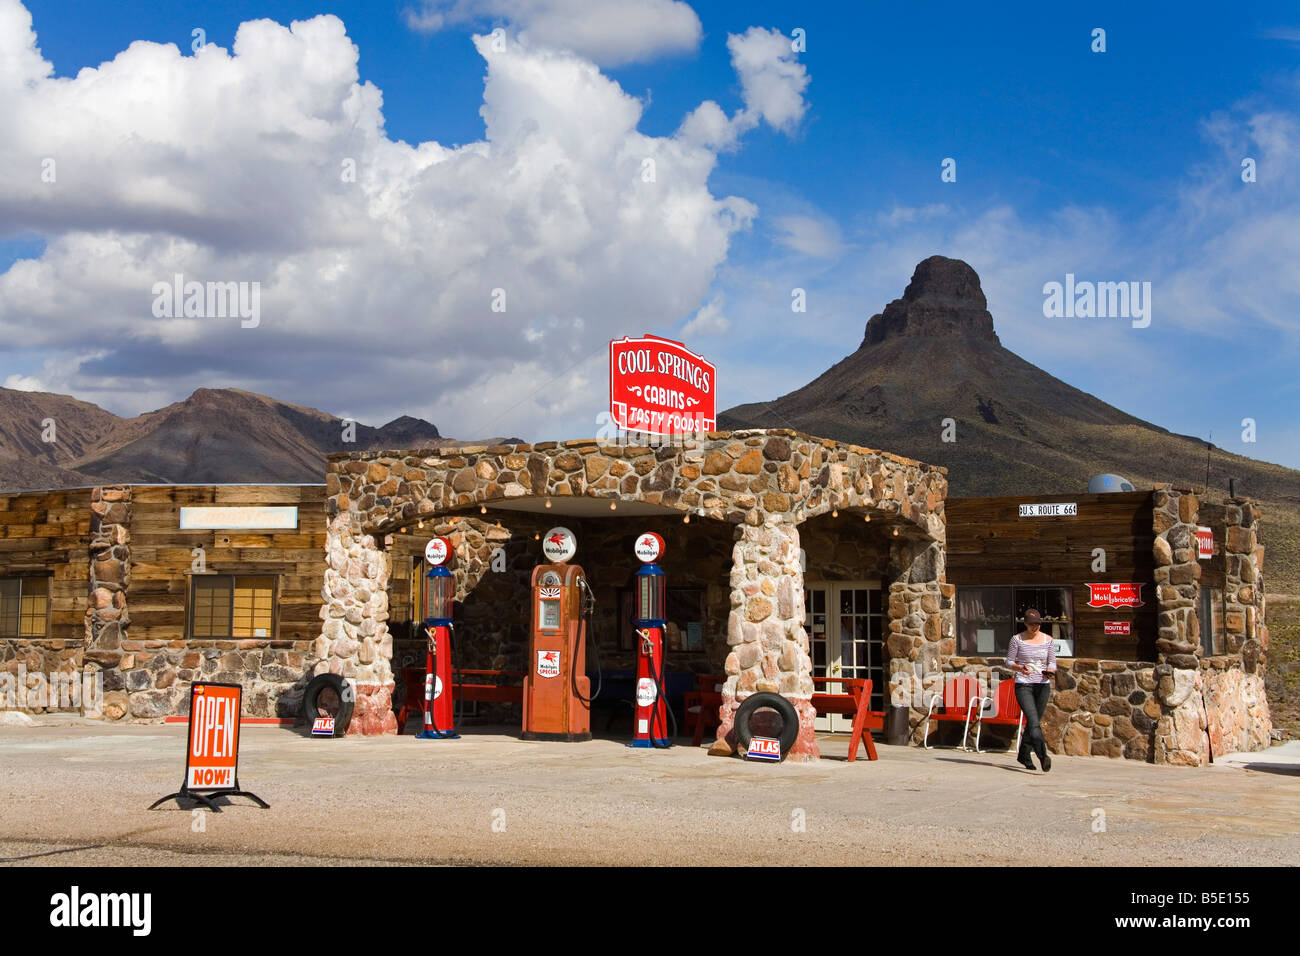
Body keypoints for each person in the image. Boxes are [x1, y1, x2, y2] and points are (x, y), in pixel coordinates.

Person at [1005, 609, 1056, 771]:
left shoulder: (1048, 640)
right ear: (1025, 624)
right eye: (1032, 624)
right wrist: (1020, 668)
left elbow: (1052, 662)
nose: (1035, 627)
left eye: (1038, 624)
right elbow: (1009, 661)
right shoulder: (1017, 640)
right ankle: (1043, 756)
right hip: (1024, 684)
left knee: (1034, 723)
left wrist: (1050, 671)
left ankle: (1024, 755)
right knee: (1033, 722)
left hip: (1042, 685)